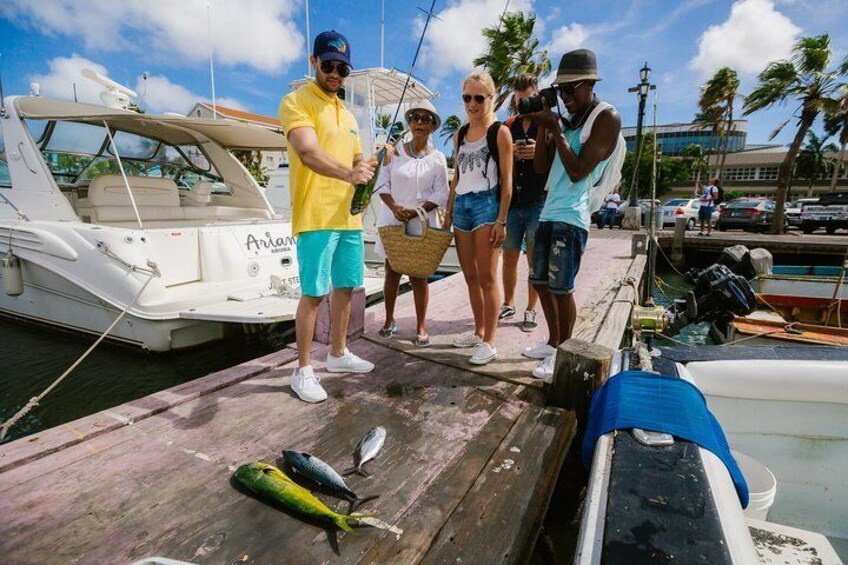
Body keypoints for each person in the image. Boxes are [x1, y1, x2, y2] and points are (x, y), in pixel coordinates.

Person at [279, 30, 377, 403]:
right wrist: (352, 173)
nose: (335, 73)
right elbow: (307, 152)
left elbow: (355, 159)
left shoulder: (348, 115)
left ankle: (337, 354)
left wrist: (367, 167)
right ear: (314, 62)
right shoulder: (296, 101)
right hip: (316, 214)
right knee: (314, 294)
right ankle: (303, 369)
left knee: (346, 288)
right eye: (329, 65)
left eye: (343, 68)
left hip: (348, 218)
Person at [523, 49, 623, 380]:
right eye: (560, 91)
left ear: (589, 85)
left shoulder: (606, 118)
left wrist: (557, 128)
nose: (565, 97)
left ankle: (564, 351)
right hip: (550, 208)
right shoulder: (564, 120)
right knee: (539, 281)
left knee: (561, 288)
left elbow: (579, 171)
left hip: (573, 214)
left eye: (571, 89)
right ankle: (552, 342)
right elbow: (539, 167)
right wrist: (543, 125)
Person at [443, 70, 513, 365]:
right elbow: (457, 175)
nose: (472, 103)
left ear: (491, 98)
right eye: (467, 97)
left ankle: (490, 341)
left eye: (478, 98)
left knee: (487, 276)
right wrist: (448, 210)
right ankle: (478, 329)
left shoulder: (500, 132)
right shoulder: (460, 134)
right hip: (462, 206)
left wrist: (501, 220)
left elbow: (507, 182)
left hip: (487, 205)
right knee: (469, 275)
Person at [374, 99, 449, 348]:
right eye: (415, 117)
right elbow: (381, 184)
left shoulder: (438, 159)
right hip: (392, 218)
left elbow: (441, 194)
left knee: (420, 274)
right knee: (392, 270)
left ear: (433, 127)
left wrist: (417, 211)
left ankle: (420, 326)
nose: (419, 122)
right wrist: (395, 208)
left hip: (421, 221)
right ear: (410, 122)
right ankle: (388, 320)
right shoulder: (393, 153)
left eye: (426, 119)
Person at [499, 73, 549, 333]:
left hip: (539, 201)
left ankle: (531, 308)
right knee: (508, 258)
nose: (524, 104)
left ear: (537, 95)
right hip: (514, 203)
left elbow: (559, 159)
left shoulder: (547, 124)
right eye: (519, 100)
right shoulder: (508, 125)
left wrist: (538, 152)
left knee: (534, 260)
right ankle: (508, 303)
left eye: (528, 99)